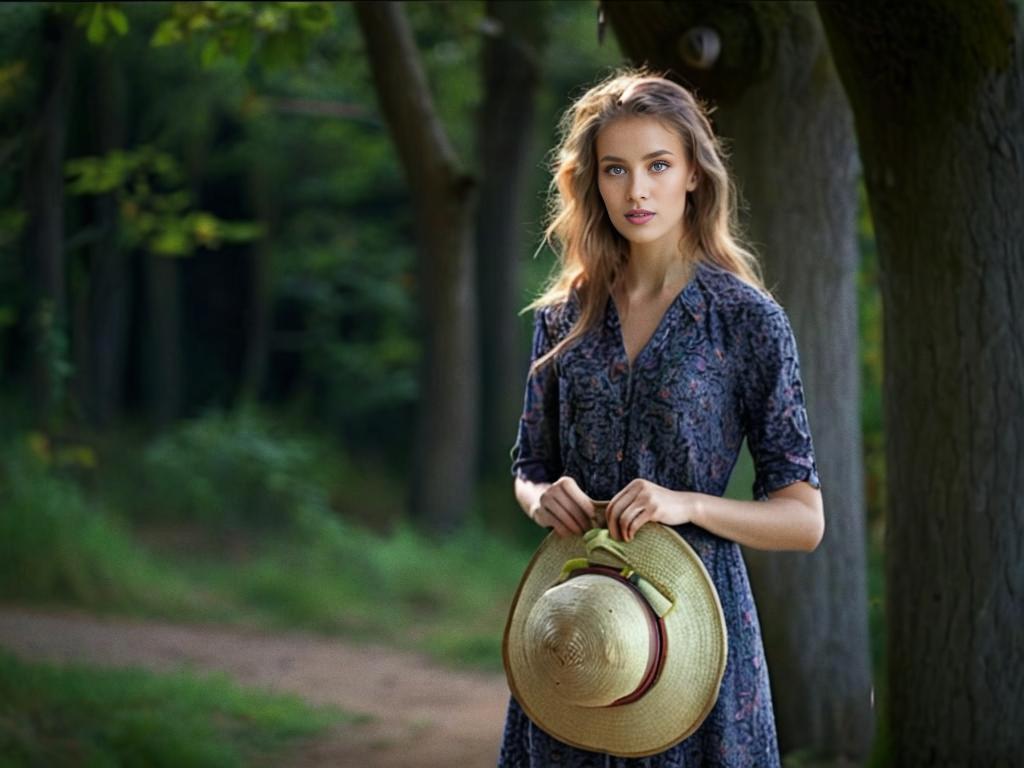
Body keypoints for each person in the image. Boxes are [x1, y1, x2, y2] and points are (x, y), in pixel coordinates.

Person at [498, 69, 825, 767]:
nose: (636, 191)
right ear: (592, 181)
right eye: (615, 169)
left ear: (694, 177)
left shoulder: (746, 321)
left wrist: (686, 504)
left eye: (657, 165)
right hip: (577, 623)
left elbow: (804, 518)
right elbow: (529, 466)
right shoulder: (564, 317)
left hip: (694, 624)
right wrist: (540, 497)